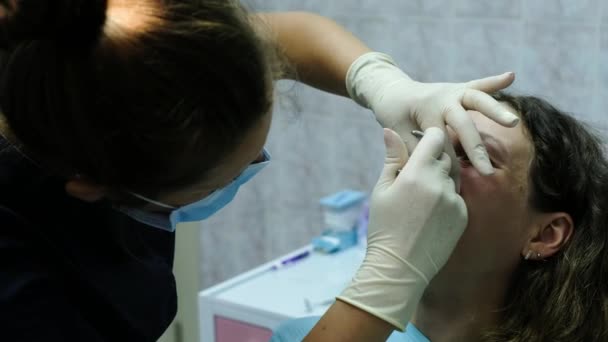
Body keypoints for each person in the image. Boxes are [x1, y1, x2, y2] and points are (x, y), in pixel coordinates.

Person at [0, 0, 521, 341]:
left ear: (550, 233)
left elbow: (283, 37)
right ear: (91, 184)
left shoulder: (108, 41)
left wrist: (382, 81)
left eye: (485, 155)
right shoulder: (24, 295)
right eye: (231, 173)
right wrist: (387, 281)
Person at [271, 93, 608, 341]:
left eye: (474, 154)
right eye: (433, 141)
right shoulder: (302, 335)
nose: (434, 160)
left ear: (545, 234)